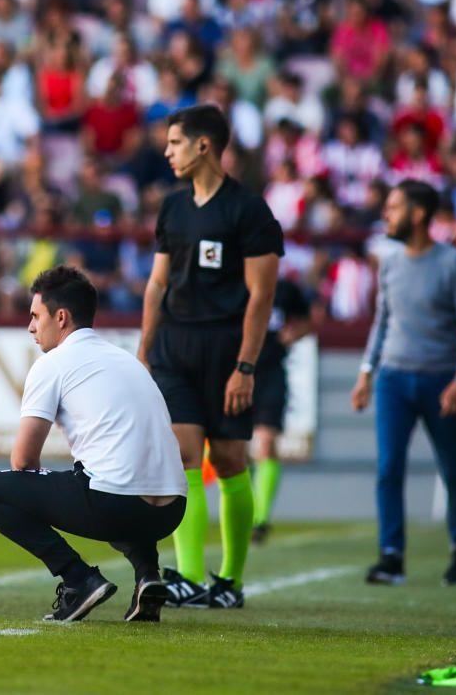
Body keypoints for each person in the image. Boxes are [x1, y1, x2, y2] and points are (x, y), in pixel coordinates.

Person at [0, 266, 187, 623]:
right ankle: (148, 575)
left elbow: (23, 459)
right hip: (171, 509)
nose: (30, 327)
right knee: (111, 476)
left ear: (61, 317)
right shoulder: (126, 359)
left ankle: (78, 579)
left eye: (35, 316)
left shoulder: (52, 364)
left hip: (116, 504)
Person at [138, 105, 284, 608]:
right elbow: (158, 283)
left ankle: (230, 581)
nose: (167, 151)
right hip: (174, 347)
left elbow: (261, 296)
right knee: (181, 459)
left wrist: (246, 366)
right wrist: (143, 350)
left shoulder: (249, 211)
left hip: (226, 349)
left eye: (175, 142)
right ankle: (187, 574)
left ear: (204, 146)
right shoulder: (172, 208)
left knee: (227, 460)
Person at [351, 179, 456, 586]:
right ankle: (391, 557)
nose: (386, 214)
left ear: (418, 214)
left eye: (393, 207)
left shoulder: (452, 263)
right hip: (392, 378)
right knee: (388, 468)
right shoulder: (389, 262)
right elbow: (382, 320)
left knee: (452, 468)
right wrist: (366, 373)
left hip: (439, 379)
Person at [250, 277, 313, 543]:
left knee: (266, 444)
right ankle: (247, 512)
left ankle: (259, 519)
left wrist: (292, 335)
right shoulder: (233, 282)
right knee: (235, 452)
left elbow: (306, 321)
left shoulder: (285, 288)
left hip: (270, 374)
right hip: (232, 373)